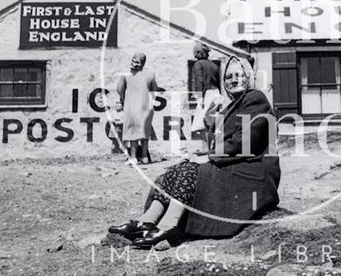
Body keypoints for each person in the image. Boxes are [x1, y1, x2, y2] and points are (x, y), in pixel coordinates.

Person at [108, 56, 281, 247]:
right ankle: (146, 221)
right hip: (236, 165)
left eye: (238, 75)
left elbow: (244, 141)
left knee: (191, 171)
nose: (233, 80)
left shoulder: (255, 98)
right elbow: (222, 142)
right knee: (178, 169)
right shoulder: (232, 106)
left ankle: (168, 225)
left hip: (252, 172)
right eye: (229, 76)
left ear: (248, 77)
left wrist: (209, 157)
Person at [117, 53, 157, 164]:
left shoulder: (125, 74)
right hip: (146, 105)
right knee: (144, 132)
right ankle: (144, 157)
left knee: (132, 132)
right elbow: (154, 91)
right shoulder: (151, 73)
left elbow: (120, 89)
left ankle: (133, 157)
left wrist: (122, 99)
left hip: (131, 105)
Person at [189, 42, 222, 154]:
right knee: (212, 122)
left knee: (201, 122)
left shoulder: (198, 64)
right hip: (216, 93)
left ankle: (205, 148)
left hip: (206, 94)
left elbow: (199, 81)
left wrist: (199, 97)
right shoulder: (214, 65)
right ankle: (213, 147)